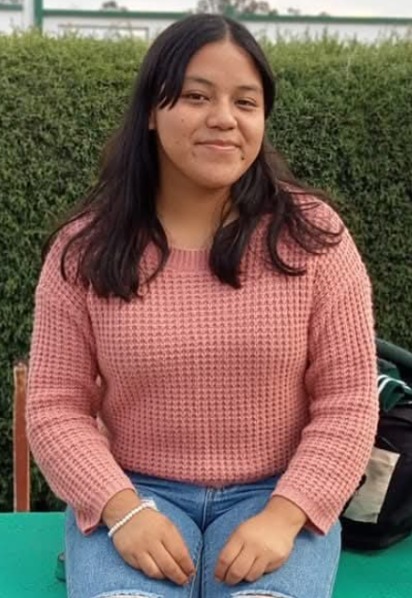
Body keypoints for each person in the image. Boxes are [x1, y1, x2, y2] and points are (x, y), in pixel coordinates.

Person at [26, 13, 379, 598]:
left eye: (246, 102)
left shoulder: (315, 238)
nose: (224, 118)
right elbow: (54, 405)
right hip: (136, 495)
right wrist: (122, 509)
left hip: (277, 496)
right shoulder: (84, 249)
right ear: (150, 110)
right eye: (196, 96)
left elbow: (348, 400)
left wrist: (285, 515)